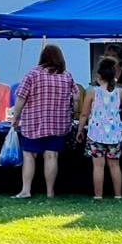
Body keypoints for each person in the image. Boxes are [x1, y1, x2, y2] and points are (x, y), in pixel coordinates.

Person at [11, 45, 76, 199]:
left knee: (29, 156)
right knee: (51, 156)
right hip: (58, 123)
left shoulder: (33, 74)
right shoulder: (66, 76)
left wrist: (15, 117)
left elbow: (21, 97)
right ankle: (50, 192)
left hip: (33, 122)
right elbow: (76, 97)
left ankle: (26, 190)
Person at [78, 57, 122, 199]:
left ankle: (98, 195)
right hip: (114, 134)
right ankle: (118, 195)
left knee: (98, 166)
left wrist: (80, 129)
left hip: (95, 133)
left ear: (99, 75)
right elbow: (121, 106)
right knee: (115, 166)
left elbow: (84, 113)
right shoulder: (120, 92)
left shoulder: (92, 92)